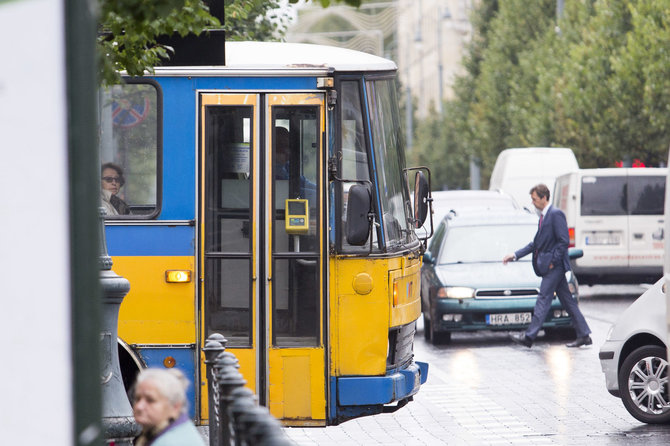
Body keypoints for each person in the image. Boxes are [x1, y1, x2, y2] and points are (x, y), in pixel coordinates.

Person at [503, 184, 592, 348]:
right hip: (552, 267)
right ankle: (584, 334)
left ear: (544, 198)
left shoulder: (555, 214)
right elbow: (535, 244)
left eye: (535, 199)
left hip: (554, 267)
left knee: (543, 299)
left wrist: (552, 262)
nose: (533, 203)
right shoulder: (544, 216)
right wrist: (514, 255)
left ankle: (529, 337)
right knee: (567, 301)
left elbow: (564, 241)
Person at [133, 368, 205, 446]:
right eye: (137, 398)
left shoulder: (169, 442)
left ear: (175, 407)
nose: (139, 406)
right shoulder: (182, 429)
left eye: (150, 400)